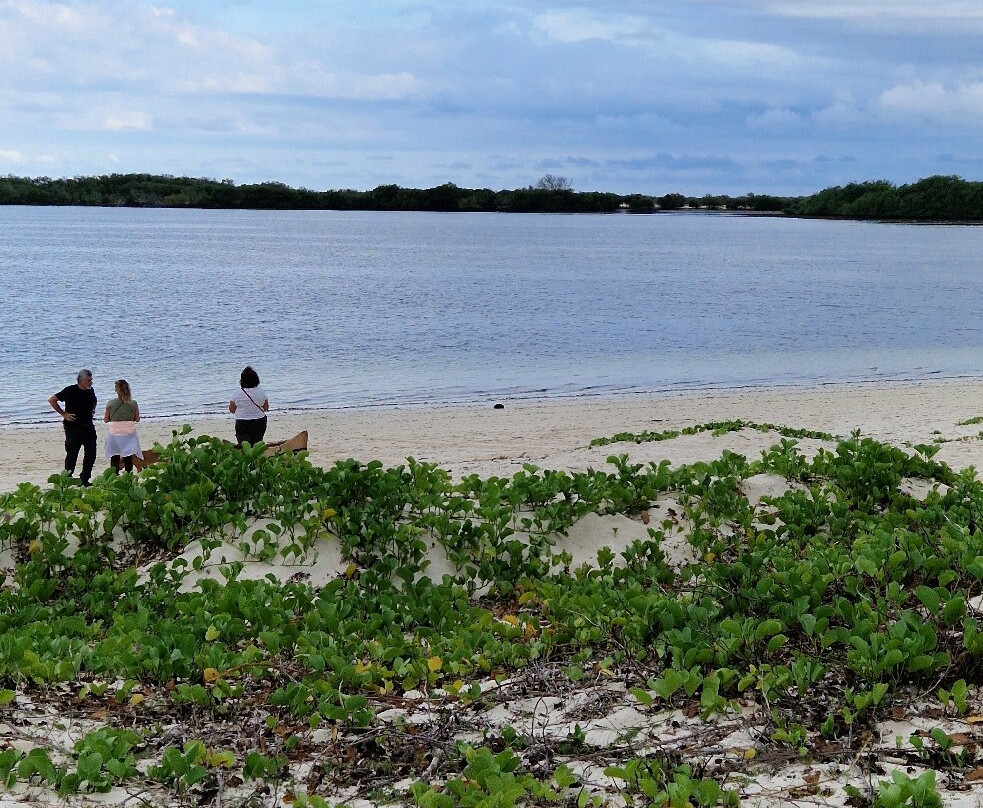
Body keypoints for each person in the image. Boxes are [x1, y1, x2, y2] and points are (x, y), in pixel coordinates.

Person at [48, 369, 98, 485]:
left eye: (91, 380)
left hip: (88, 426)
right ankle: (68, 479)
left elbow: (94, 400)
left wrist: (92, 410)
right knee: (72, 454)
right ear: (81, 380)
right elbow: (52, 400)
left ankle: (85, 479)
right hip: (73, 427)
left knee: (91, 453)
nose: (91, 382)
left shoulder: (90, 390)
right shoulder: (70, 390)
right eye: (89, 380)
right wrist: (64, 414)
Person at [103, 379, 143, 473]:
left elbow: (106, 419)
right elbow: (137, 419)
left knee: (114, 456)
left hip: (114, 432)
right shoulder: (133, 403)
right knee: (128, 456)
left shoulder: (111, 403)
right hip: (129, 433)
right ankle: (128, 475)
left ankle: (114, 475)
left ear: (117, 390)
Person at [229, 365, 269, 446]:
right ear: (256, 379)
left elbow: (232, 410)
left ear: (242, 380)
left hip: (242, 422)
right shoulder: (261, 392)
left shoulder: (237, 393)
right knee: (257, 446)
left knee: (244, 447)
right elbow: (266, 408)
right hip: (259, 421)